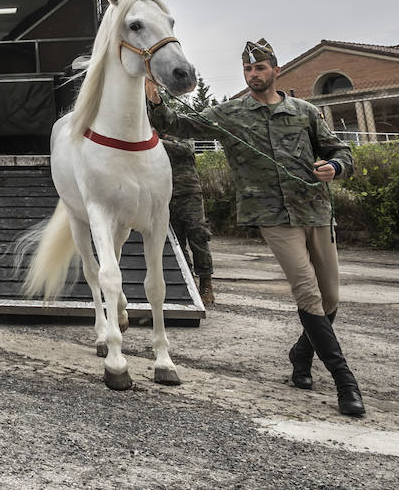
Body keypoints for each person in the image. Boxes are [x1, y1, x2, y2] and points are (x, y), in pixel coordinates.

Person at [147, 39, 363, 417]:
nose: (253, 74)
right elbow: (176, 124)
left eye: (260, 68)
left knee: (330, 299)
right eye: (248, 69)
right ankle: (346, 383)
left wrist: (336, 168)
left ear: (275, 70)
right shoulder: (230, 114)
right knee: (307, 293)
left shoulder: (305, 111)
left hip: (315, 210)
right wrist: (155, 100)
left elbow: (339, 150)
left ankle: (300, 354)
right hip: (272, 215)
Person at [157, 129, 215, 304]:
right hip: (165, 197)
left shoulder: (180, 133)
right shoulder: (152, 135)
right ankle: (188, 282)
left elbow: (185, 149)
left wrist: (156, 142)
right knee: (177, 243)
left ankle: (206, 284)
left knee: (198, 235)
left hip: (189, 193)